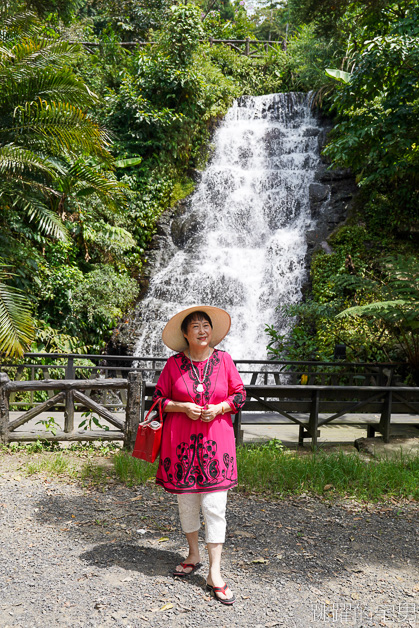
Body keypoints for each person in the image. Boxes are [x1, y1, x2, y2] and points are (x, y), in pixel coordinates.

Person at [152, 305, 246, 605]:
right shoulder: (173, 364)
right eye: (195, 326)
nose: (202, 330)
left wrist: (220, 408)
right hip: (180, 447)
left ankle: (215, 571)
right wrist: (181, 407)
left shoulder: (224, 360)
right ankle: (193, 553)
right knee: (188, 504)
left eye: (206, 325)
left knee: (215, 506)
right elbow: (157, 401)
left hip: (216, 446)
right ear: (185, 333)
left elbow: (240, 394)